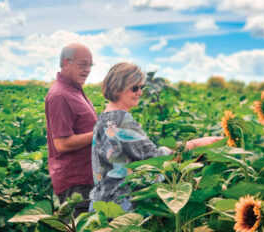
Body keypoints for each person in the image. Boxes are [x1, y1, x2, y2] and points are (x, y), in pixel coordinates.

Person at [89, 62, 223, 212]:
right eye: (135, 88)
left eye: (142, 87)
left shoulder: (104, 117)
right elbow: (154, 157)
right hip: (121, 206)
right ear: (118, 88)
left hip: (102, 201)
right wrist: (195, 144)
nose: (140, 92)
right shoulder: (121, 120)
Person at [45, 43, 97, 217]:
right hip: (76, 183)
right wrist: (100, 132)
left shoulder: (74, 91)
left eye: (90, 65)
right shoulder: (60, 95)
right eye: (83, 64)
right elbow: (61, 144)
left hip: (88, 178)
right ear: (66, 63)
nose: (88, 69)